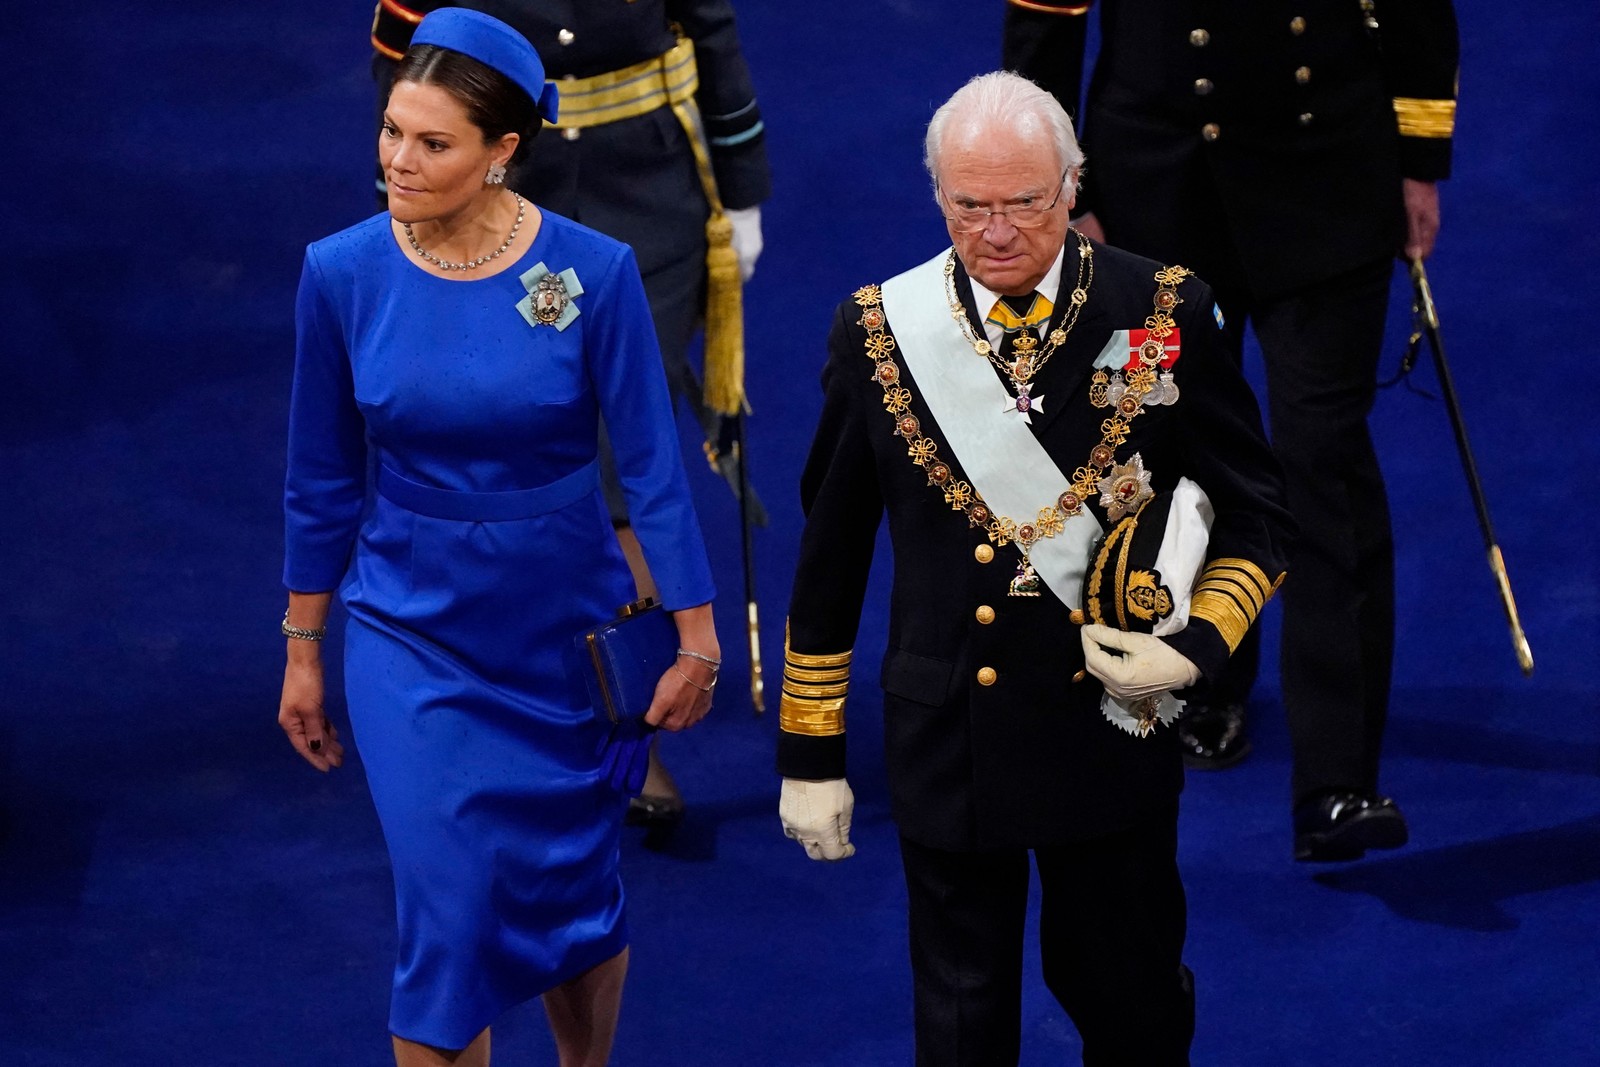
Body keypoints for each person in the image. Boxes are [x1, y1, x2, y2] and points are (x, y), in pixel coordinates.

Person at [775, 71, 1293, 1065]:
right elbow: (829, 552)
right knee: (961, 1018)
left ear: (1072, 186)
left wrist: (1189, 652)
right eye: (970, 204)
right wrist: (811, 752)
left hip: (1109, 722)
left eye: (1025, 201)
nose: (997, 229)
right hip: (949, 729)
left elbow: (1259, 514)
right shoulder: (880, 330)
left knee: (1126, 998)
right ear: (936, 194)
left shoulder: (1161, 306)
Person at [277, 10, 720, 1064]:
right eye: (392, 130)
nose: (398, 160)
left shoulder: (594, 271)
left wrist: (697, 639)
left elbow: (652, 469)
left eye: (433, 144)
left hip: (561, 629)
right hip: (409, 627)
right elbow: (320, 476)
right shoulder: (339, 272)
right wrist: (302, 643)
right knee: (449, 905)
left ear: (501, 154)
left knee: (576, 893)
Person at [1002, 0, 1459, 858]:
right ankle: (1201, 672)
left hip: (1328, 168)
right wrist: (1064, 194)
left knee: (1322, 462)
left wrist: (1419, 161)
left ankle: (1338, 779)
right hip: (1159, 187)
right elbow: (1044, 20)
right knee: (1175, 457)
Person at [370, 0, 773, 825]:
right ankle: (494, 702)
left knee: (627, 473)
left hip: (648, 195)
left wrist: (741, 190)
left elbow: (712, 30)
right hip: (490, 204)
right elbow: (403, 50)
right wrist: (402, 205)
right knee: (499, 456)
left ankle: (630, 724)